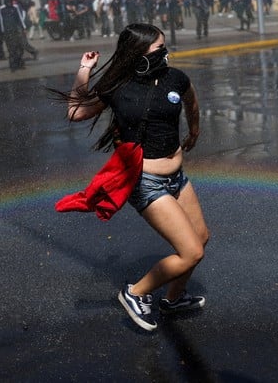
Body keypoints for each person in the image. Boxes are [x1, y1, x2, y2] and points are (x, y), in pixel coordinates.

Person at [60, 23, 208, 332]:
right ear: (138, 54)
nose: (164, 54)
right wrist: (84, 71)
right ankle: (135, 292)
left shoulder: (175, 78)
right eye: (158, 49)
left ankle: (172, 299)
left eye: (164, 47)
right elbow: (75, 112)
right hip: (146, 182)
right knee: (191, 252)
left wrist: (194, 131)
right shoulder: (119, 87)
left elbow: (191, 102)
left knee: (201, 238)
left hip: (177, 177)